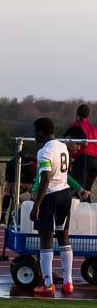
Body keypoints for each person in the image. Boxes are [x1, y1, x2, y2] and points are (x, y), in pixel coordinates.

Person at [30, 118, 75, 297]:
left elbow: (46, 178)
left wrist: (37, 205)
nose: (34, 135)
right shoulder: (62, 146)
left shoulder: (44, 150)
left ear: (41, 132)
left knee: (46, 239)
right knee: (64, 238)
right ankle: (68, 282)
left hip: (51, 196)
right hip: (65, 193)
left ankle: (48, 284)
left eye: (35, 132)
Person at [69, 104, 97, 193]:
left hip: (83, 159)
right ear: (88, 115)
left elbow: (70, 145)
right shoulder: (93, 128)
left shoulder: (74, 126)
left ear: (77, 113)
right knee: (87, 192)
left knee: (79, 191)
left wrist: (71, 158)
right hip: (95, 161)